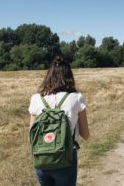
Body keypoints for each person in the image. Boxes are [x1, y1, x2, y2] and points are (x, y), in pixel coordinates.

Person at [28, 56, 90, 186]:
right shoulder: (76, 98)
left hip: (42, 158)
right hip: (66, 157)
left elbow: (31, 137)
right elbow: (86, 135)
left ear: (48, 76)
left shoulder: (36, 98)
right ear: (69, 76)